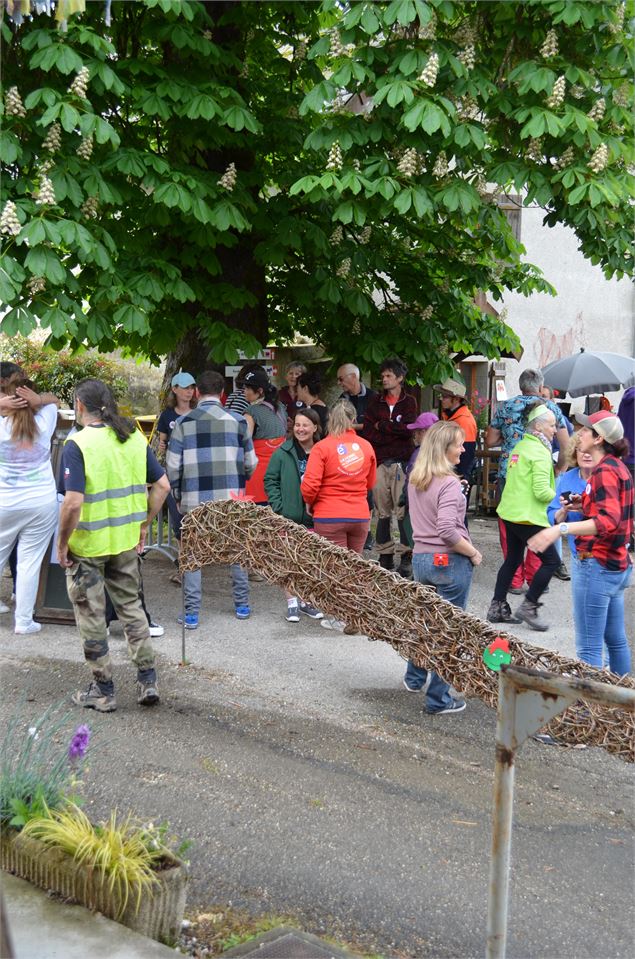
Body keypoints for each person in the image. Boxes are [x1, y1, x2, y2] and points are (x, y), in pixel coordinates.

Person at [57, 379, 170, 712]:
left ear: (79, 404)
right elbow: (162, 486)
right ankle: (148, 680)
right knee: (132, 610)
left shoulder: (76, 444)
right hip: (124, 543)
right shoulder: (134, 437)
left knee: (92, 616)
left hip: (88, 547)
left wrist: (62, 544)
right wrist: (144, 524)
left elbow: (73, 502)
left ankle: (104, 690)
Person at [529, 411, 633, 675]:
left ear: (598, 438)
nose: (580, 434)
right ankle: (620, 706)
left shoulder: (603, 473)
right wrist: (581, 503)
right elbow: (614, 514)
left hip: (596, 565)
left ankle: (589, 712)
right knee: (615, 641)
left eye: (585, 430)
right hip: (615, 565)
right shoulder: (617, 467)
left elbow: (607, 521)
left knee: (588, 649)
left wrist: (559, 530)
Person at [166, 370, 257, 626]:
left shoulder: (184, 423)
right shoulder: (238, 421)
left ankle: (192, 614)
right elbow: (251, 462)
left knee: (193, 554)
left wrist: (178, 493)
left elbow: (173, 466)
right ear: (222, 393)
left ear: (196, 392)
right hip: (231, 499)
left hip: (194, 501)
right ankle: (242, 606)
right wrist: (239, 481)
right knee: (237, 550)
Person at [403, 421, 481, 714]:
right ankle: (438, 699)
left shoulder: (417, 478)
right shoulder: (448, 484)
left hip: (422, 560)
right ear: (444, 448)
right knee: (448, 633)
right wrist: (472, 553)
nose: (463, 448)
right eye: (459, 444)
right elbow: (447, 530)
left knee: (426, 624)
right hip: (448, 562)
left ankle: (414, 677)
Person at [486, 368, 569, 594]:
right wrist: (560, 468)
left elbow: (490, 439)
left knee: (508, 525)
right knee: (538, 522)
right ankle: (534, 578)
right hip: (539, 471)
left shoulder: (507, 406)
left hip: (509, 473)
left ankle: (514, 581)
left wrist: (509, 434)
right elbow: (565, 444)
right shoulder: (550, 408)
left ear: (520, 385)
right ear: (540, 386)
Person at [301, 400, 376, 632]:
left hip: (329, 514)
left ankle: (338, 617)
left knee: (334, 569)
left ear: (330, 420)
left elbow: (309, 486)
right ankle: (354, 615)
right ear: (353, 420)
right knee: (353, 567)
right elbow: (370, 483)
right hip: (359, 515)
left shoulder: (322, 447)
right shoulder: (366, 446)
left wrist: (310, 503)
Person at [487, 403, 560, 630]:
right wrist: (558, 495)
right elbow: (541, 492)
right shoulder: (540, 451)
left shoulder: (519, 446)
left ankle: (497, 607)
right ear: (538, 426)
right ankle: (529, 606)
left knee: (513, 559)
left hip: (510, 513)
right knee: (552, 561)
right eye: (552, 425)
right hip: (528, 516)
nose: (555, 430)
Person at [0, 369, 60, 634]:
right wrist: (40, 400)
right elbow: (55, 400)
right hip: (41, 502)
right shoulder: (46, 418)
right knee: (29, 563)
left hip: (5, 501)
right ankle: (24, 622)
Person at [264, 408, 323, 623]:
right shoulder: (282, 452)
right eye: (297, 425)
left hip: (315, 518)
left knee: (309, 562)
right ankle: (291, 602)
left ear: (315, 427)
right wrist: (279, 506)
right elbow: (270, 480)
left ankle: (307, 601)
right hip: (288, 517)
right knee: (288, 560)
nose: (300, 429)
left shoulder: (322, 451)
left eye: (305, 425)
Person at [363, 357, 417, 575]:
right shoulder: (375, 402)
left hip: (401, 463)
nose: (384, 379)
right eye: (383, 376)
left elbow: (409, 430)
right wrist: (393, 429)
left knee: (403, 509)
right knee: (382, 511)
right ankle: (385, 554)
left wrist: (384, 426)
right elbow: (368, 431)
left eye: (388, 376)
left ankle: (406, 554)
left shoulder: (409, 402)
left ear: (399, 378)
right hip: (380, 462)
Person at [546, 435, 594, 661]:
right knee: (585, 618)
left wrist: (583, 510)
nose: (585, 454)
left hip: (602, 556)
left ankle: (596, 674)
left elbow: (610, 520)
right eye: (580, 450)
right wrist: (564, 512)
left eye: (590, 450)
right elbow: (552, 516)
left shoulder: (606, 479)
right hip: (579, 555)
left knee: (594, 624)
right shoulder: (566, 479)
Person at [540, 384, 573, 581]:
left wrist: (560, 468)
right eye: (540, 395)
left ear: (553, 399)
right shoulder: (535, 417)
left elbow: (566, 447)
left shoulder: (560, 419)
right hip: (540, 470)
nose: (543, 399)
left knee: (554, 514)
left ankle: (557, 561)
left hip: (554, 471)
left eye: (546, 396)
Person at [242, 368, 287, 505]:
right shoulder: (280, 407)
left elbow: (245, 442)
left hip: (258, 474)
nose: (244, 391)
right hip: (281, 472)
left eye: (248, 388)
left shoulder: (250, 412)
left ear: (260, 391)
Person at [434, 376, 477, 481]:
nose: (441, 399)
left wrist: (459, 479)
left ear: (456, 399)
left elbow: (465, 456)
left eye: (445, 397)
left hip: (456, 476)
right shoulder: (452, 416)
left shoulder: (464, 421)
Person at [156, 371, 196, 456]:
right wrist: (161, 447)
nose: (190, 391)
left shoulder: (199, 414)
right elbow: (162, 443)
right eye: (186, 387)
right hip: (174, 463)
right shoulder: (166, 415)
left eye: (192, 388)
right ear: (174, 389)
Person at [337, 364, 377, 433]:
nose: (338, 383)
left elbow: (378, 425)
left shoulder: (373, 397)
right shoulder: (342, 398)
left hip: (369, 442)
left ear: (353, 376)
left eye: (341, 379)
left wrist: (354, 426)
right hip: (348, 441)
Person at [295, 369, 329, 434]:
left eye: (297, 387)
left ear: (305, 388)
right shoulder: (321, 407)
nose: (296, 391)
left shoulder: (314, 411)